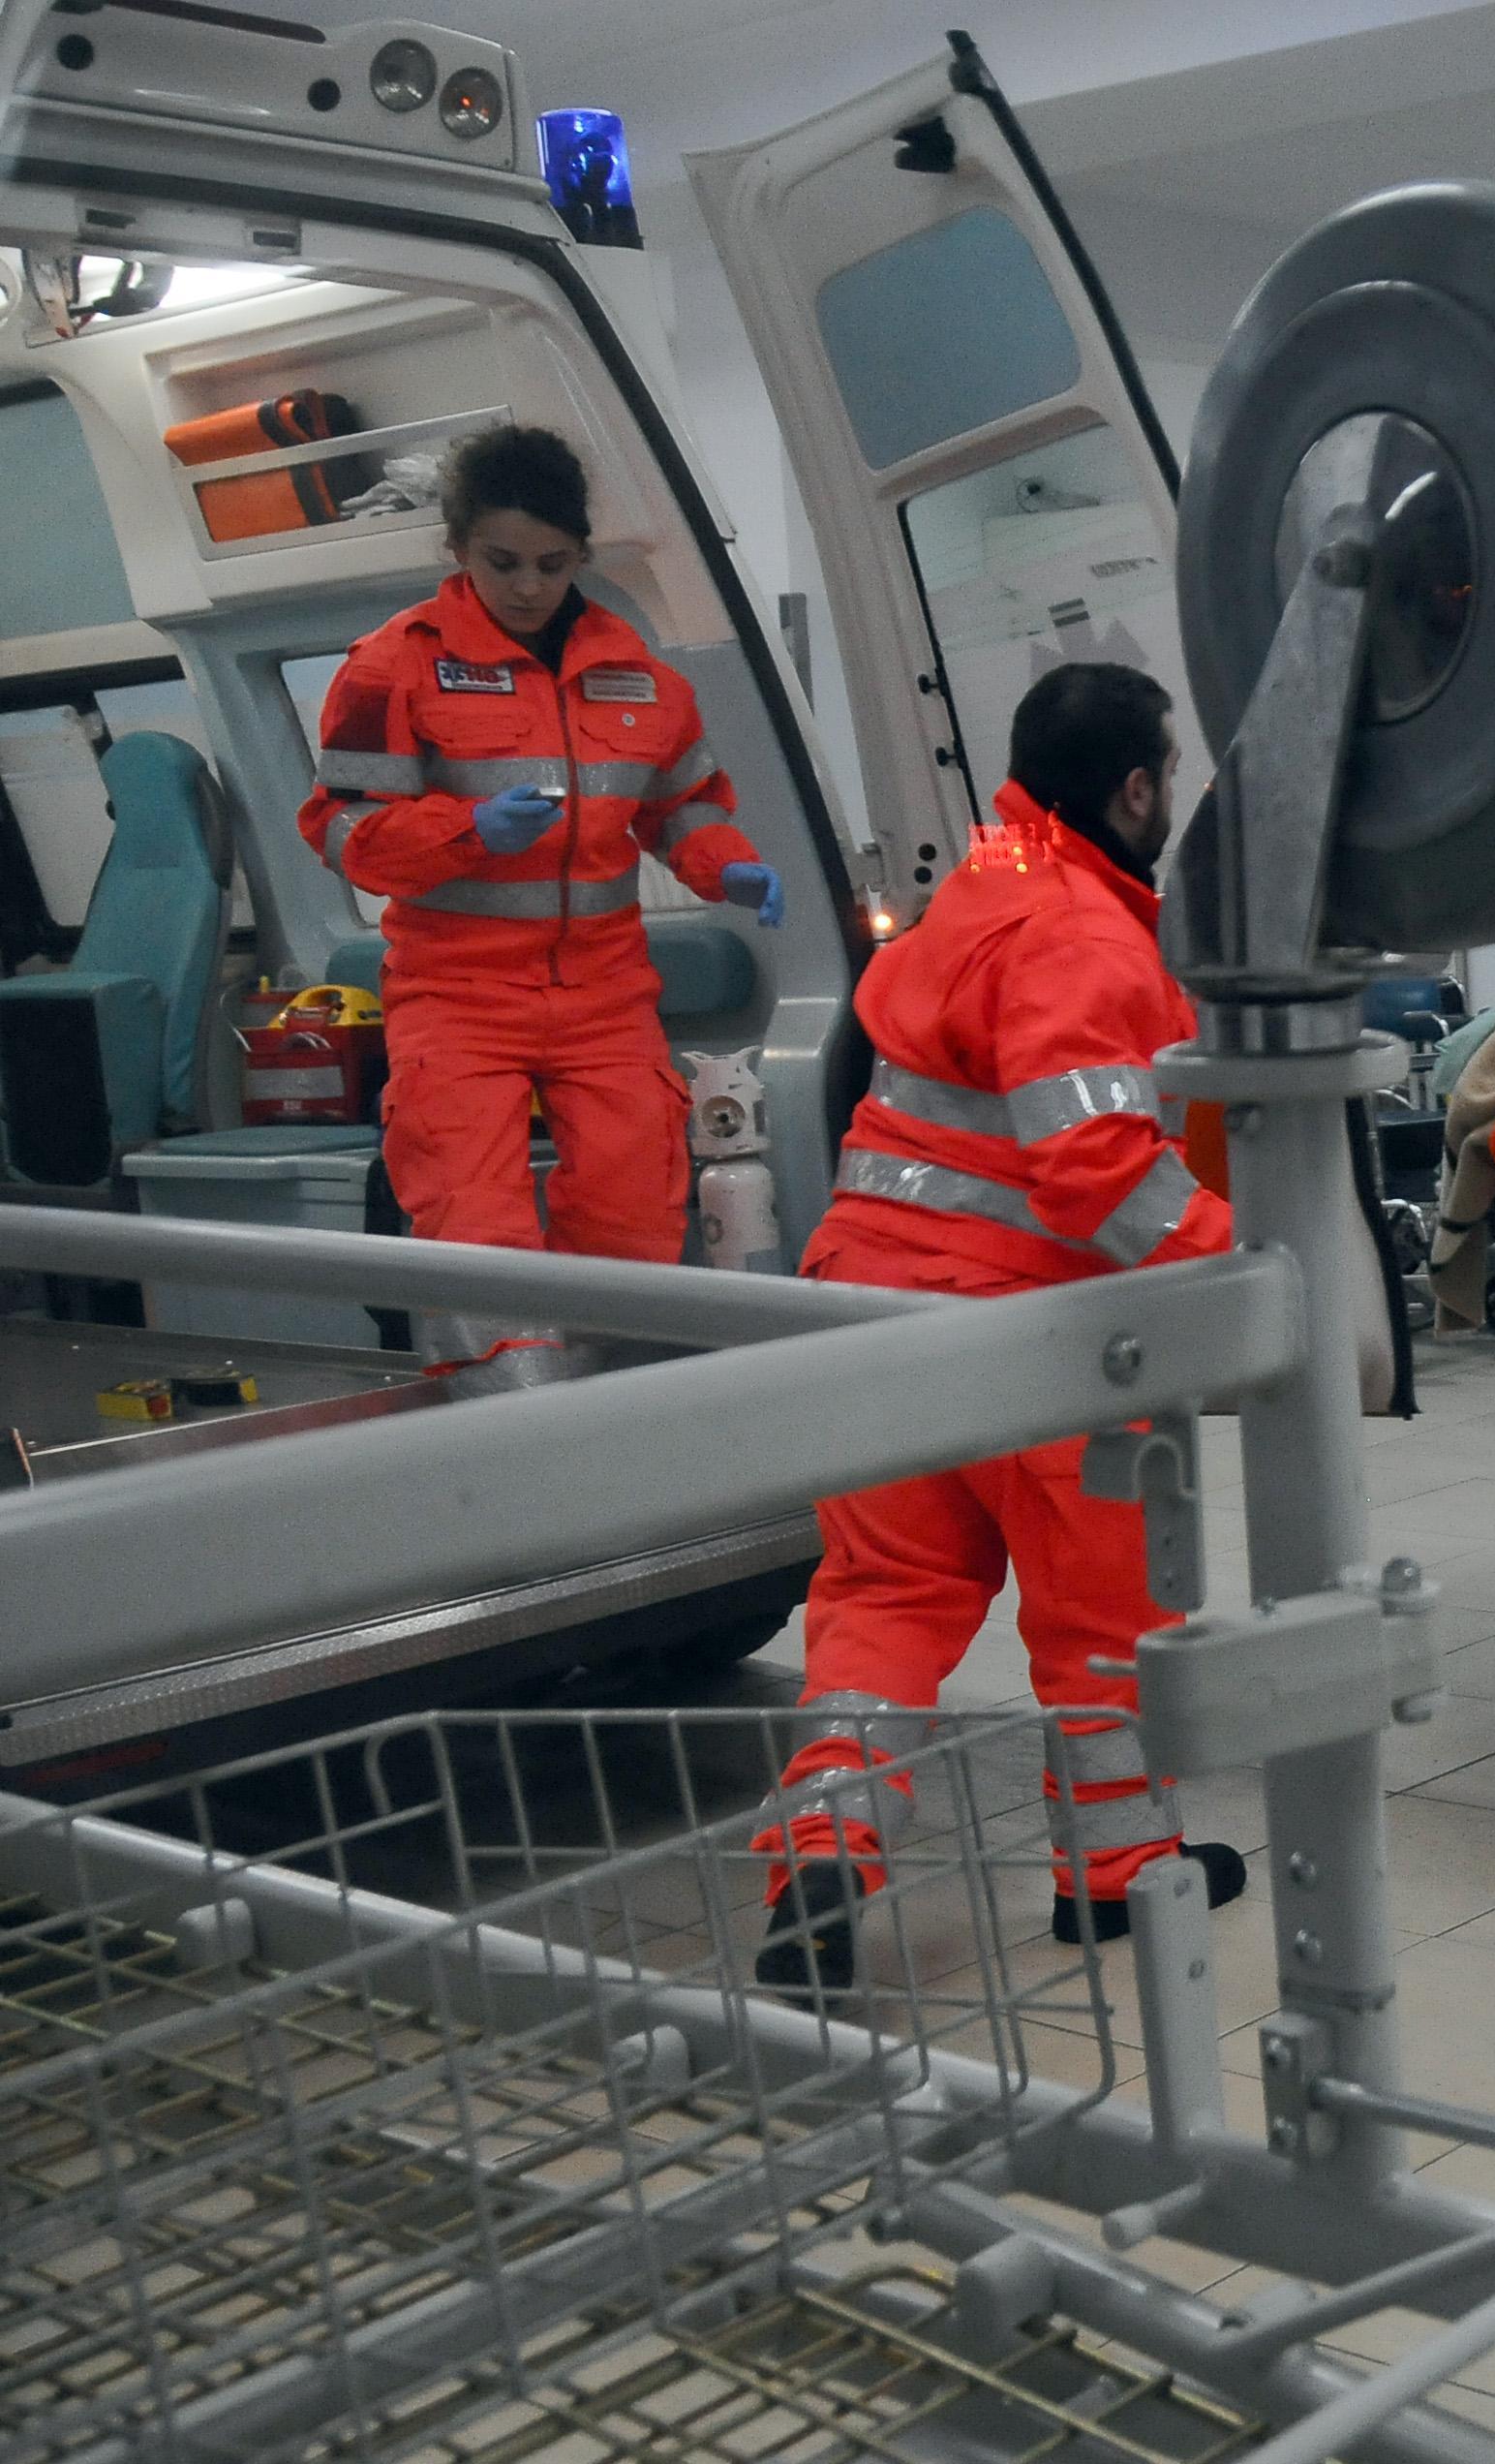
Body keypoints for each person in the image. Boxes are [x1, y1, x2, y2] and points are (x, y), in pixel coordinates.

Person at [752, 662, 1243, 1995]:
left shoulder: (979, 885)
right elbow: (1096, 1172)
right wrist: (1247, 1269)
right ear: (1133, 790)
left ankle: (822, 1851)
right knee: (1102, 1617)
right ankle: (1117, 1874)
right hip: (1029, 1342)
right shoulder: (1083, 933)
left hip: (867, 1313)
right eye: (1168, 775)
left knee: (883, 1602)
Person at [295, 423, 783, 1384]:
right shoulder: (391, 669)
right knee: (474, 1223)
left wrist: (726, 866)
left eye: (552, 564)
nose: (527, 586)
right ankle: (508, 1421)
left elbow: (681, 806)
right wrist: (471, 830)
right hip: (458, 994)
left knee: (634, 1212)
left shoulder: (639, 676)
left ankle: (614, 1416)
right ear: (456, 548)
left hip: (603, 992)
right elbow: (344, 830)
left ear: (582, 557)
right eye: (502, 562)